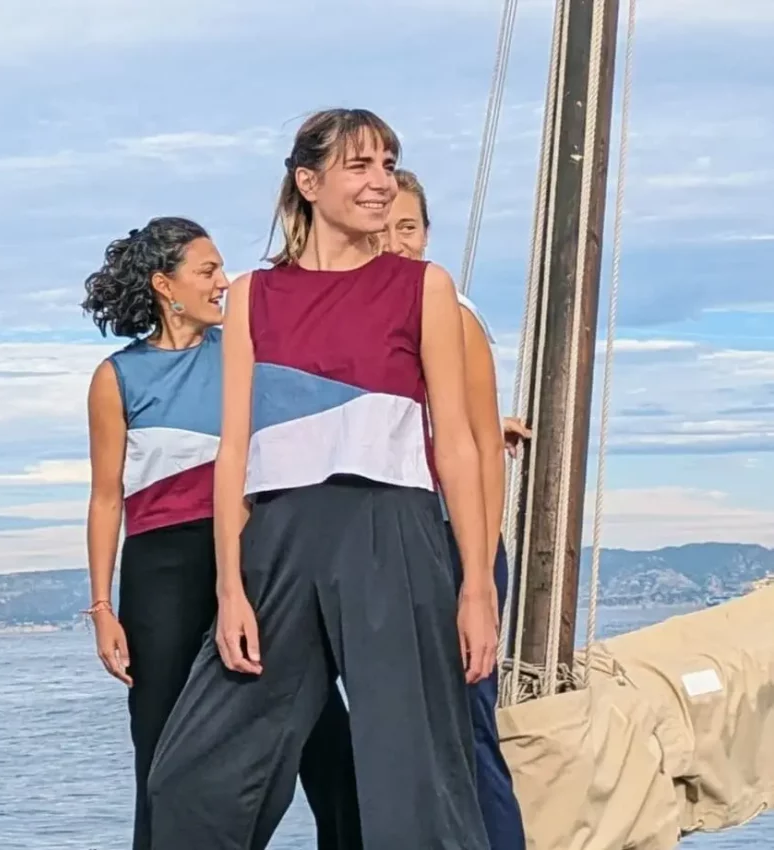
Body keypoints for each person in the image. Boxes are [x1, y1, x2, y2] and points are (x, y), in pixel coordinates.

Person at [147, 109, 496, 849]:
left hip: (393, 536)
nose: (381, 183)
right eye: (359, 166)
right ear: (308, 182)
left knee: (415, 788)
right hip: (279, 543)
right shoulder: (253, 295)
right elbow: (233, 450)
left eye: (388, 165)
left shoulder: (424, 287)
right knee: (190, 779)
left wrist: (476, 586)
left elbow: (459, 447)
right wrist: (231, 587)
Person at [81, 216, 360, 850]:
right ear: (165, 285)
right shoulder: (117, 377)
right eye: (207, 271)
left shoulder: (242, 350)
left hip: (253, 556)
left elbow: (330, 402)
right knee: (158, 749)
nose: (224, 282)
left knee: (320, 730)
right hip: (161, 573)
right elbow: (106, 498)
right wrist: (101, 607)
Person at [382, 168, 528, 850]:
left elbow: (481, 446)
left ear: (427, 234)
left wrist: (480, 570)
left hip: (451, 541)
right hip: (392, 539)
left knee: (467, 729)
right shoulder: (369, 316)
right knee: (409, 735)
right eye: (384, 228)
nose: (395, 242)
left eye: (408, 227)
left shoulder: (452, 312)